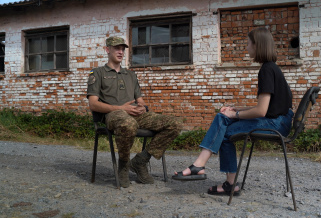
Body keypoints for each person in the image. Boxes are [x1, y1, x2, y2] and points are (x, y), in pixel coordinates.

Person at [172, 27, 293, 196]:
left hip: (275, 124)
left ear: (257, 45)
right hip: (279, 121)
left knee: (226, 132)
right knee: (223, 119)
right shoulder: (272, 68)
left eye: (249, 43)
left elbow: (262, 111)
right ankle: (201, 165)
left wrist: (234, 115)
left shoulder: (266, 70)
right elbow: (268, 107)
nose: (247, 47)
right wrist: (237, 109)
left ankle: (222, 179)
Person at [87, 36, 182, 188]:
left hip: (135, 114)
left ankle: (140, 161)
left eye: (122, 49)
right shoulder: (97, 73)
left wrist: (142, 107)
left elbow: (140, 100)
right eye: (117, 48)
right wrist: (120, 108)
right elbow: (93, 104)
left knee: (175, 124)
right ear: (107, 50)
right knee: (128, 124)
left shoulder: (130, 75)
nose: (120, 52)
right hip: (113, 115)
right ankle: (123, 165)